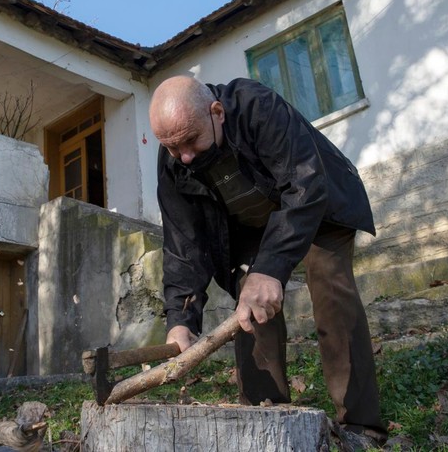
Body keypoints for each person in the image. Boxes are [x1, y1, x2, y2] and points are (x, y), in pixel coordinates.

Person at [149, 75, 387, 446]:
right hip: (251, 230)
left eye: (191, 140)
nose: (185, 156)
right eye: (172, 146)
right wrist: (181, 320)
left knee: (328, 280)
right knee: (249, 301)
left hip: (319, 205)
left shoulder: (256, 106)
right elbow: (183, 244)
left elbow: (305, 183)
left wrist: (271, 268)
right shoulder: (173, 159)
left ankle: (361, 426)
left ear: (217, 112)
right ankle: (262, 417)